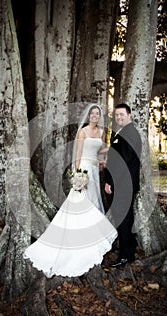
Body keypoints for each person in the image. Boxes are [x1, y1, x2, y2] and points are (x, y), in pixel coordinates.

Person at [24, 104, 117, 278]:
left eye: (98, 114)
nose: (95, 116)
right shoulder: (82, 132)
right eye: (93, 114)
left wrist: (110, 151)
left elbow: (99, 152)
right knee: (81, 203)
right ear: (89, 116)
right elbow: (78, 156)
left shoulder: (102, 133)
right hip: (84, 170)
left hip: (96, 172)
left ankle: (93, 235)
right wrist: (78, 176)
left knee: (94, 202)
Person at [104, 103, 142, 267]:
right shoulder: (122, 132)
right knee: (124, 217)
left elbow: (123, 162)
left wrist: (110, 182)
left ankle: (127, 255)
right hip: (123, 183)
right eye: (117, 115)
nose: (119, 117)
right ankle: (128, 247)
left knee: (124, 218)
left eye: (122, 114)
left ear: (130, 115)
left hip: (122, 184)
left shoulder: (129, 133)